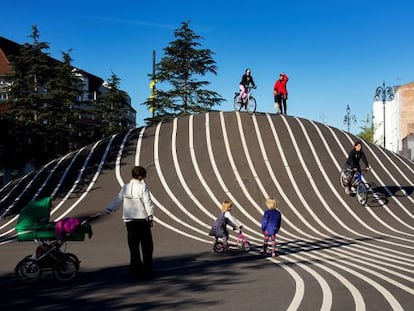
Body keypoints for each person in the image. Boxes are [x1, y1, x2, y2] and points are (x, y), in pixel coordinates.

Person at [105, 165, 155, 277]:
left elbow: (118, 199)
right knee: (147, 245)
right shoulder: (143, 187)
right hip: (142, 219)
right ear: (141, 176)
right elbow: (148, 202)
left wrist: (109, 209)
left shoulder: (125, 187)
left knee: (133, 245)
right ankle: (147, 269)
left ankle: (135, 269)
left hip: (129, 220)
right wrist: (150, 216)